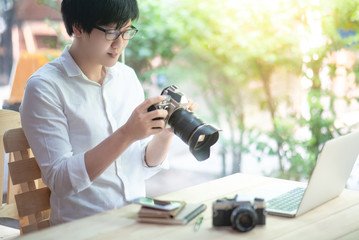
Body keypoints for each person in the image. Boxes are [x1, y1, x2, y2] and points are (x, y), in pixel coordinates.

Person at [20, 0, 196, 225]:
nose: (120, 44)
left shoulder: (127, 77)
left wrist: (164, 133)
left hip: (135, 220)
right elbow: (61, 180)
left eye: (127, 32)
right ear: (78, 27)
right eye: (112, 32)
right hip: (83, 228)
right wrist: (126, 134)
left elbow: (140, 166)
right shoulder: (45, 87)